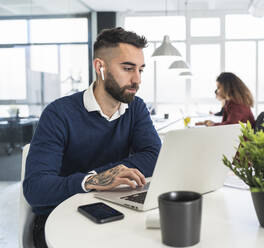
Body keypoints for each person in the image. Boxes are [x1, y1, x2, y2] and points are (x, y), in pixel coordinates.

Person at [23, 27, 162, 248]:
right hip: (61, 218)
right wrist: (95, 180)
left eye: (140, 70)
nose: (137, 80)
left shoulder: (136, 108)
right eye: (127, 68)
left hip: (113, 211)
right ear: (100, 67)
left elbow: (154, 156)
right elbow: (36, 189)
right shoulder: (59, 114)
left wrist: (104, 177)